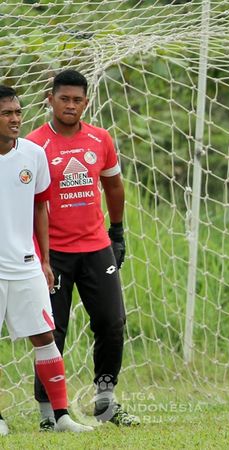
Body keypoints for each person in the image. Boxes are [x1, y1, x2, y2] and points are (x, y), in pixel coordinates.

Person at [26, 69, 138, 429]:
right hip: (53, 253)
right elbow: (28, 201)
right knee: (52, 332)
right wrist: (36, 252)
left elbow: (114, 187)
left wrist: (117, 232)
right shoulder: (34, 145)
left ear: (85, 103)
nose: (70, 105)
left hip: (96, 248)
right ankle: (48, 414)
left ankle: (105, 402)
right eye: (64, 99)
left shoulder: (100, 139)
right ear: (50, 100)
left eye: (77, 100)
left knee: (111, 323)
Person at [0, 84, 93, 434]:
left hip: (25, 264)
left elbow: (41, 205)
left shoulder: (33, 155)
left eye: (18, 112)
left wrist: (44, 260)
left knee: (45, 335)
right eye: (7, 113)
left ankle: (61, 416)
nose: (15, 119)